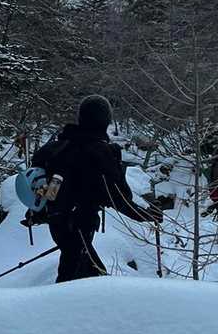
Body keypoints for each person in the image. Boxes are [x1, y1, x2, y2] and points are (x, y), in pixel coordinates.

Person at [33, 95, 157, 282]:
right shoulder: (101, 152)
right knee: (80, 277)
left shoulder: (55, 148)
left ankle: (61, 298)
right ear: (106, 121)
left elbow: (39, 180)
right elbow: (117, 196)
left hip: (56, 221)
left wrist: (37, 211)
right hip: (80, 223)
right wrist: (146, 215)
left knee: (75, 272)